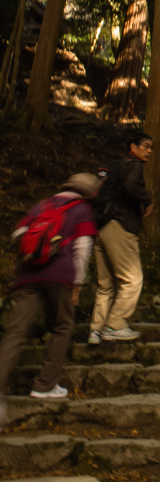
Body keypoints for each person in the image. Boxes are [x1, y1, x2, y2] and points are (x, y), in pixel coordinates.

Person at [0, 173, 99, 421]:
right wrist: (77, 282)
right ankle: (44, 386)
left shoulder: (41, 205)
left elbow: (18, 236)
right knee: (62, 325)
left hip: (27, 276)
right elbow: (83, 247)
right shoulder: (83, 209)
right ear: (87, 192)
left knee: (15, 333)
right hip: (60, 276)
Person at [88, 133, 153, 345]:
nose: (149, 151)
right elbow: (131, 186)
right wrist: (147, 200)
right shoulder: (133, 165)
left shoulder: (114, 167)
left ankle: (95, 331)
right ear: (132, 147)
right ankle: (115, 324)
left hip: (102, 226)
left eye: (151, 147)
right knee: (133, 278)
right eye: (146, 146)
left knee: (106, 285)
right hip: (119, 226)